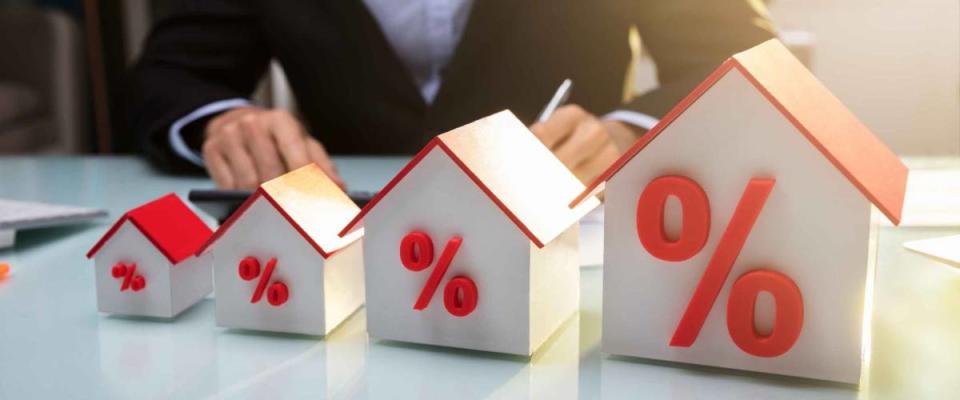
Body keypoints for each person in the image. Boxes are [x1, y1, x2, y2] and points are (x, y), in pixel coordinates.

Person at [129, 0, 775, 189]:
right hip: (347, 263)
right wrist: (225, 122)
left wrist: (630, 131)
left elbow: (752, 56)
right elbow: (167, 75)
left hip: (574, 256)